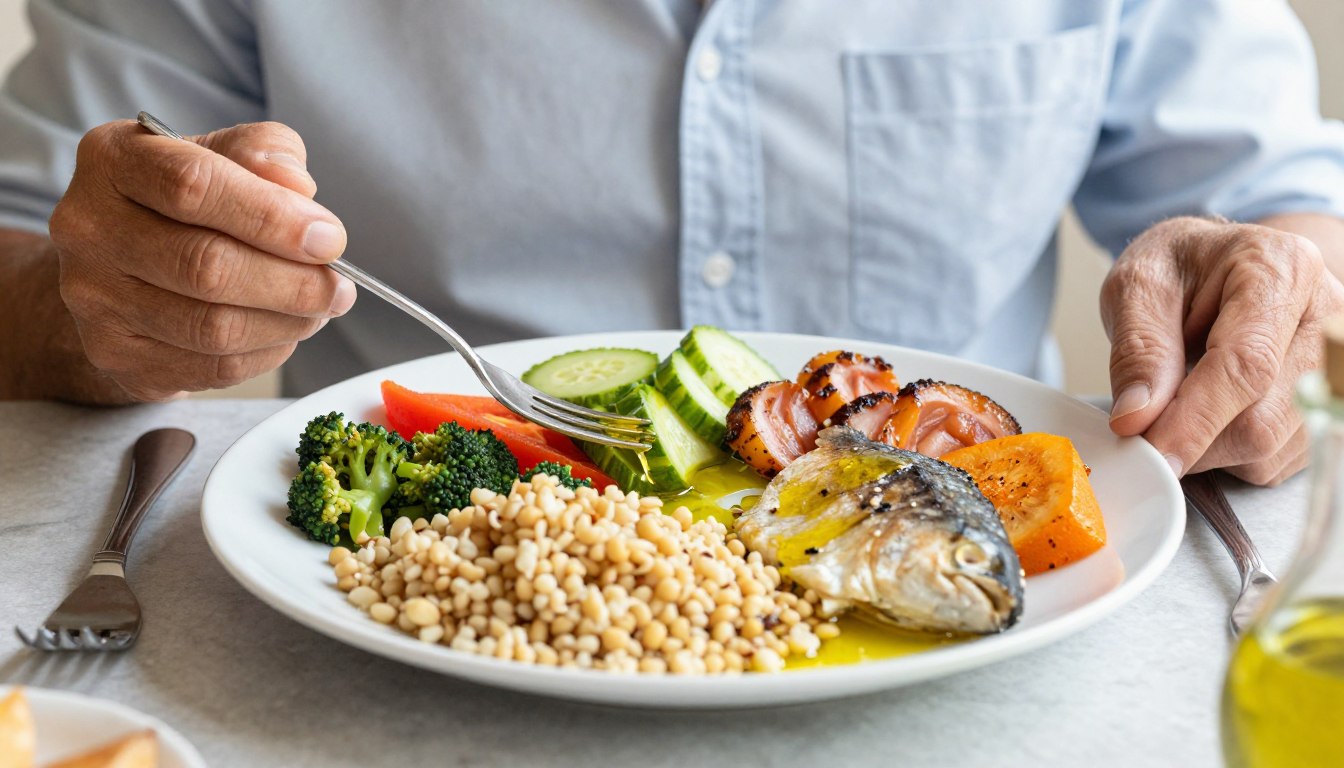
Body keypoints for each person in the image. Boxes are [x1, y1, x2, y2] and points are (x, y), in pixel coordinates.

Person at [1, 0, 1341, 487]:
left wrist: (1271, 291)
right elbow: (18, 246)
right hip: (383, 638)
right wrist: (96, 301)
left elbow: (1302, 215)